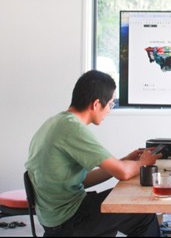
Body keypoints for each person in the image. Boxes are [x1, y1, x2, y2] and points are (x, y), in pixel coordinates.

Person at [25, 70, 161, 237]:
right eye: (110, 104)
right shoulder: (72, 128)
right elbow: (123, 173)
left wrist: (123, 160)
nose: (109, 110)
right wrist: (143, 162)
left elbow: (82, 180)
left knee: (131, 209)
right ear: (96, 104)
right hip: (69, 220)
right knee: (142, 213)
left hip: (55, 217)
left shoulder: (56, 122)